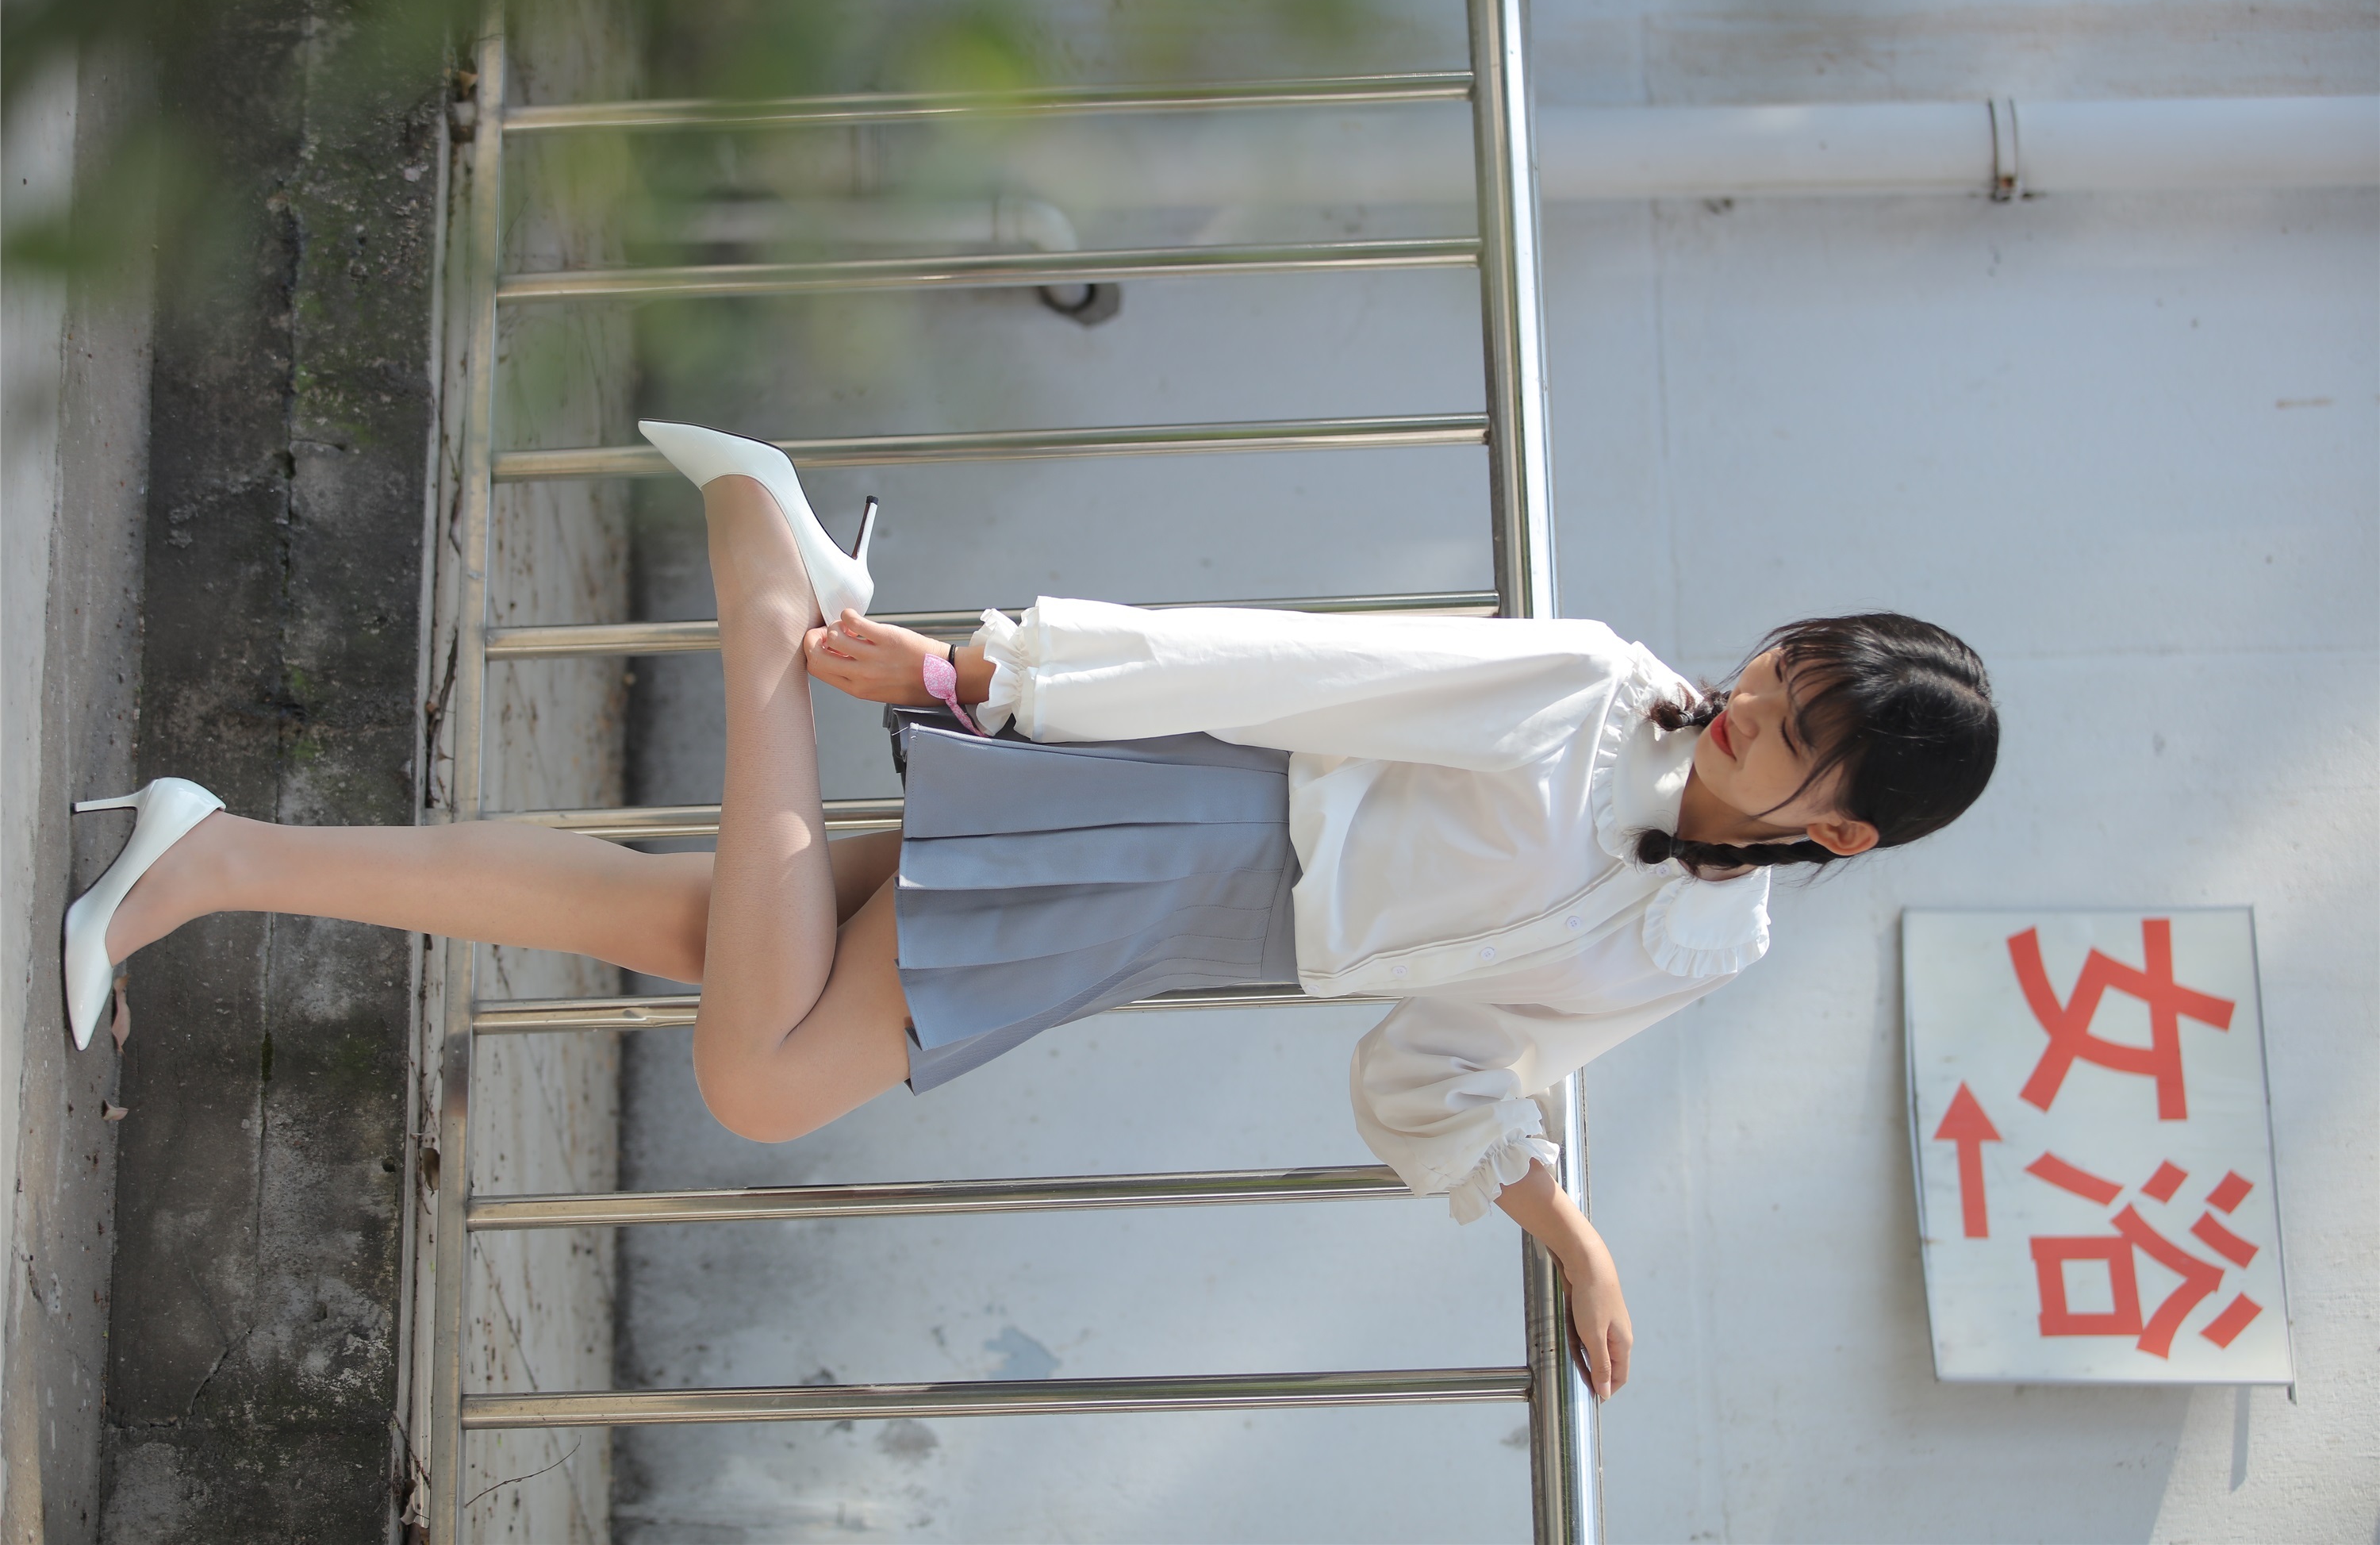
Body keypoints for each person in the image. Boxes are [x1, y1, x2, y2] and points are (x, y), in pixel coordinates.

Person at [63, 424, 1998, 1403]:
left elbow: (1449, 1061)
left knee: (682, 928)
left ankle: (214, 853)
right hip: (1179, 827)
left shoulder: (1701, 940)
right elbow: (1290, 671)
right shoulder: (1590, 689)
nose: (1751, 695)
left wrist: (1564, 1228)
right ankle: (763, 577)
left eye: (1800, 722)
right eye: (1784, 661)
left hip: (1185, 928)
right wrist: (980, 680)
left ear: (1844, 834)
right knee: (757, 1074)